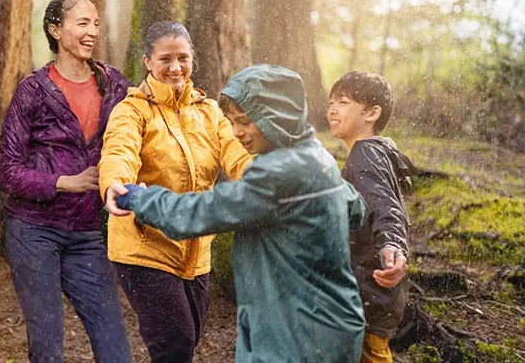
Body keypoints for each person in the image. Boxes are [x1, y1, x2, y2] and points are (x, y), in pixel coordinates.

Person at [110, 64, 367, 362]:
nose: (237, 133)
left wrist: (140, 198)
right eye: (232, 122)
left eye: (245, 121)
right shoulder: (316, 156)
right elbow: (356, 210)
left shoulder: (279, 174)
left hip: (294, 334)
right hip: (334, 322)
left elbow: (201, 213)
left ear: (278, 116)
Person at [99, 20, 252, 363]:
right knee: (176, 344)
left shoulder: (209, 111)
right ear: (148, 62)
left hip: (197, 249)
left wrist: (267, 179)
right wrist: (114, 184)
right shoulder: (132, 110)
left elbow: (236, 153)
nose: (175, 67)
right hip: (144, 245)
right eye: (165, 58)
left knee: (189, 338)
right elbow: (118, 151)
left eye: (182, 57)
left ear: (192, 58)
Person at [0, 0, 132, 363]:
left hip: (86, 232)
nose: (93, 32)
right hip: (33, 230)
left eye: (96, 24)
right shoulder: (33, 91)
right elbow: (6, 172)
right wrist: (64, 182)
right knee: (47, 345)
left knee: (115, 344)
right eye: (82, 23)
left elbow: (144, 121)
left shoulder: (114, 84)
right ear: (56, 30)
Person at [327, 71, 413, 363]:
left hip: (370, 291)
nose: (332, 109)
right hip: (374, 294)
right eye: (331, 102)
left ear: (372, 113)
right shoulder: (380, 152)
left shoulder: (365, 155)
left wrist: (393, 246)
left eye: (343, 102)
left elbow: (385, 207)